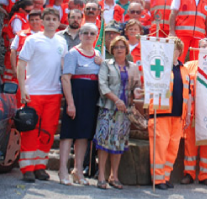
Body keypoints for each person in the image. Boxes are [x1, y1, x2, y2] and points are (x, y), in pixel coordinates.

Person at [17, 8, 68, 183]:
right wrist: (23, 88)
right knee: (31, 129)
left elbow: (64, 66)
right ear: (42, 21)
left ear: (59, 22)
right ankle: (27, 167)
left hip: (54, 93)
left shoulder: (62, 42)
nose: (51, 22)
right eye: (48, 19)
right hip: (34, 92)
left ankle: (40, 166)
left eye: (54, 19)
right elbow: (21, 64)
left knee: (48, 130)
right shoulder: (32, 40)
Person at [95, 36, 142, 189]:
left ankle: (114, 176)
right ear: (112, 50)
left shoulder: (133, 67)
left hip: (125, 111)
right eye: (116, 47)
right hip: (108, 108)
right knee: (104, 142)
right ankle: (101, 175)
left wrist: (137, 92)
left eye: (122, 47)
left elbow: (136, 85)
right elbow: (102, 85)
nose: (119, 49)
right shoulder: (106, 65)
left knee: (119, 142)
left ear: (126, 50)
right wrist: (116, 100)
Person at [59, 23, 102, 186]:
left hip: (91, 97)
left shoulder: (98, 53)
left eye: (92, 33)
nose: (88, 36)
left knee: (84, 135)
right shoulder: (73, 53)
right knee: (69, 133)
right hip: (77, 94)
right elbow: (65, 78)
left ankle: (78, 170)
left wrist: (102, 63)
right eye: (85, 33)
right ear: (80, 35)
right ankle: (63, 169)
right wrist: (70, 102)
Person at [147, 37, 189, 190]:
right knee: (160, 146)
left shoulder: (184, 70)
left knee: (172, 148)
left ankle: (166, 176)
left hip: (178, 115)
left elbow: (188, 94)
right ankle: (157, 179)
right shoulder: (158, 66)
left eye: (173, 49)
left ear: (179, 52)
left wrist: (188, 113)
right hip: (161, 113)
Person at [181, 37, 207, 186]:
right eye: (203, 47)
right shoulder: (189, 66)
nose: (206, 49)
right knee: (190, 143)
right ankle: (188, 173)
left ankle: (205, 174)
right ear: (198, 48)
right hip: (193, 111)